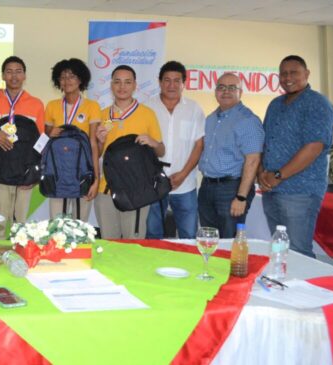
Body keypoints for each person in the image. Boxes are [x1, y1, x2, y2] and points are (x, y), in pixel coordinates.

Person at [258, 55, 333, 258]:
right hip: (272, 189)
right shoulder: (275, 104)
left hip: (300, 192)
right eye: (283, 73)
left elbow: (313, 147)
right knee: (279, 249)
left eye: (294, 72)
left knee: (299, 252)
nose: (287, 77)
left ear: (307, 74)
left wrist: (278, 175)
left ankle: (303, 290)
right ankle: (283, 287)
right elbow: (265, 143)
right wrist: (262, 175)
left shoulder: (317, 104)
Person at [94, 65, 164, 239]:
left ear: (135, 85)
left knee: (133, 244)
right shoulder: (103, 115)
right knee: (109, 243)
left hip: (137, 190)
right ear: (111, 85)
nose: (122, 87)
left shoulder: (147, 114)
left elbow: (161, 151)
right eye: (117, 82)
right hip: (106, 190)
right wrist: (100, 142)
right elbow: (97, 154)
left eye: (127, 82)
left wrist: (153, 142)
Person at [0, 56, 45, 239]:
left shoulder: (36, 104)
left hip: (24, 176)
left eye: (18, 71)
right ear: (3, 75)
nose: (14, 76)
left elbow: (41, 141)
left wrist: (35, 173)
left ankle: (19, 262)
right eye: (9, 71)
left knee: (20, 226)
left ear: (25, 75)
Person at [198, 73, 264, 239]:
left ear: (240, 92)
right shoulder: (212, 118)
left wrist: (241, 197)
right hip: (207, 186)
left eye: (231, 87)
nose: (225, 91)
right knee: (208, 239)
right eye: (221, 87)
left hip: (231, 189)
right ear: (215, 92)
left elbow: (253, 160)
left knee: (228, 241)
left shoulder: (247, 120)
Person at [145, 61, 205, 239]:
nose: (171, 85)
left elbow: (199, 145)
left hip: (185, 185)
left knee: (189, 236)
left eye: (176, 80)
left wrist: (183, 174)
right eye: (167, 80)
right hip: (153, 184)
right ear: (159, 82)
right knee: (153, 234)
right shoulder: (147, 107)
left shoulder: (193, 109)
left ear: (183, 83)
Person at [44, 58, 101, 220]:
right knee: (56, 228)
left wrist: (96, 180)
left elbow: (93, 144)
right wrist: (49, 131)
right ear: (58, 81)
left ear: (81, 79)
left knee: (80, 228)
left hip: (82, 173)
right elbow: (46, 135)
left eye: (72, 76)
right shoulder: (51, 106)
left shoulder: (92, 106)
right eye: (63, 77)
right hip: (57, 174)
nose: (67, 81)